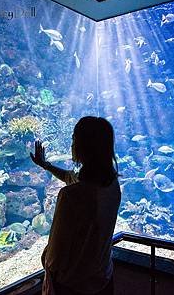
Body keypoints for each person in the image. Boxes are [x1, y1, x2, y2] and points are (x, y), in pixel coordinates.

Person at [31, 116, 121, 295]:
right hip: (103, 277)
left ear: (84, 147)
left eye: (74, 139)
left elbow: (56, 254)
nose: (71, 145)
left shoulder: (70, 196)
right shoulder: (112, 184)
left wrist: (46, 259)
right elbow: (72, 178)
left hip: (73, 285)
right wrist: (47, 166)